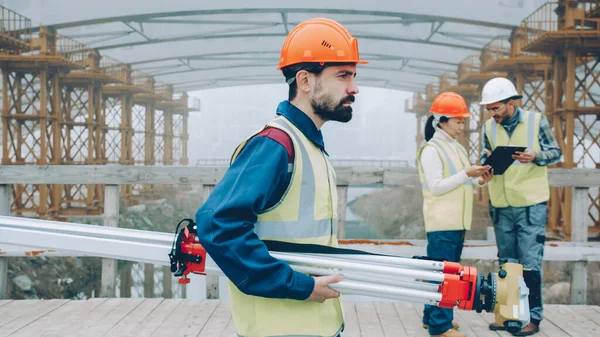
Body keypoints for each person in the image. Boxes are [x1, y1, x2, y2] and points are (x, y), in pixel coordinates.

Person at [194, 17, 367, 337]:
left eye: (354, 76)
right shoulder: (274, 146)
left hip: (314, 326)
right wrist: (299, 286)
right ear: (304, 80)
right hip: (280, 328)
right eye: (343, 75)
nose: (354, 87)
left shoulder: (309, 146)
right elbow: (217, 226)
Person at [479, 77, 562, 336]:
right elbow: (485, 153)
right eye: (489, 109)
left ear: (511, 103)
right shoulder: (488, 127)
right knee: (507, 264)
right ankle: (507, 316)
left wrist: (535, 156)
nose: (492, 114)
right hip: (501, 204)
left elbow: (555, 152)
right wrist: (486, 167)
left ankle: (532, 318)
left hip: (530, 205)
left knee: (529, 264)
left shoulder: (537, 121)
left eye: (496, 109)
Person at [417, 92, 493, 337]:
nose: (462, 126)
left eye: (463, 121)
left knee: (443, 272)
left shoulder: (455, 147)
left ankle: (432, 317)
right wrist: (468, 175)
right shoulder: (431, 149)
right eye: (458, 121)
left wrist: (480, 180)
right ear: (442, 121)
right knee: (445, 275)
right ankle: (441, 326)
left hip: (457, 220)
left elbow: (462, 181)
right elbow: (437, 185)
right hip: (442, 222)